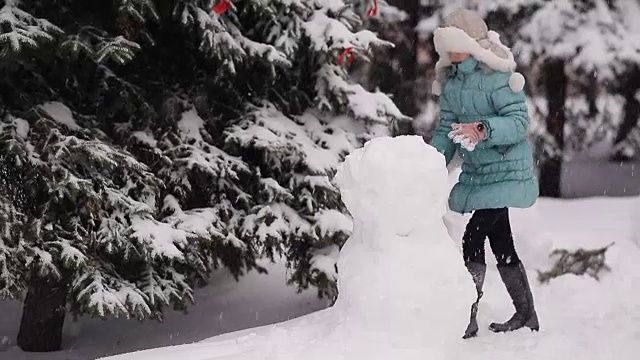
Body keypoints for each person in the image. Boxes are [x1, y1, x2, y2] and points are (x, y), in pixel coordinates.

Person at [429, 8, 540, 339]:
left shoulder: (496, 76)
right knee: (501, 241)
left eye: (457, 42)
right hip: (479, 173)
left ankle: (467, 317)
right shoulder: (451, 85)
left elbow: (520, 122)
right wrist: (430, 162)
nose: (452, 50)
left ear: (472, 43)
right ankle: (526, 314)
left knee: (473, 238)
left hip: (505, 169)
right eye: (447, 44)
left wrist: (483, 128)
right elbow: (446, 130)